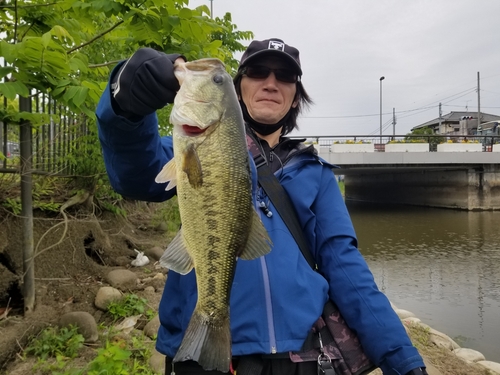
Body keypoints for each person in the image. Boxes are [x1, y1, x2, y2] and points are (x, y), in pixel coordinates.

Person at [96, 38, 428, 375]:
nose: (270, 83)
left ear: (295, 95)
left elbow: (347, 269)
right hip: (203, 359)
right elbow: (134, 174)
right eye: (257, 72)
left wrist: (402, 359)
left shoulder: (316, 173)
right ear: (239, 89)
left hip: (303, 361)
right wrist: (125, 104)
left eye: (284, 76)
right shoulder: (190, 145)